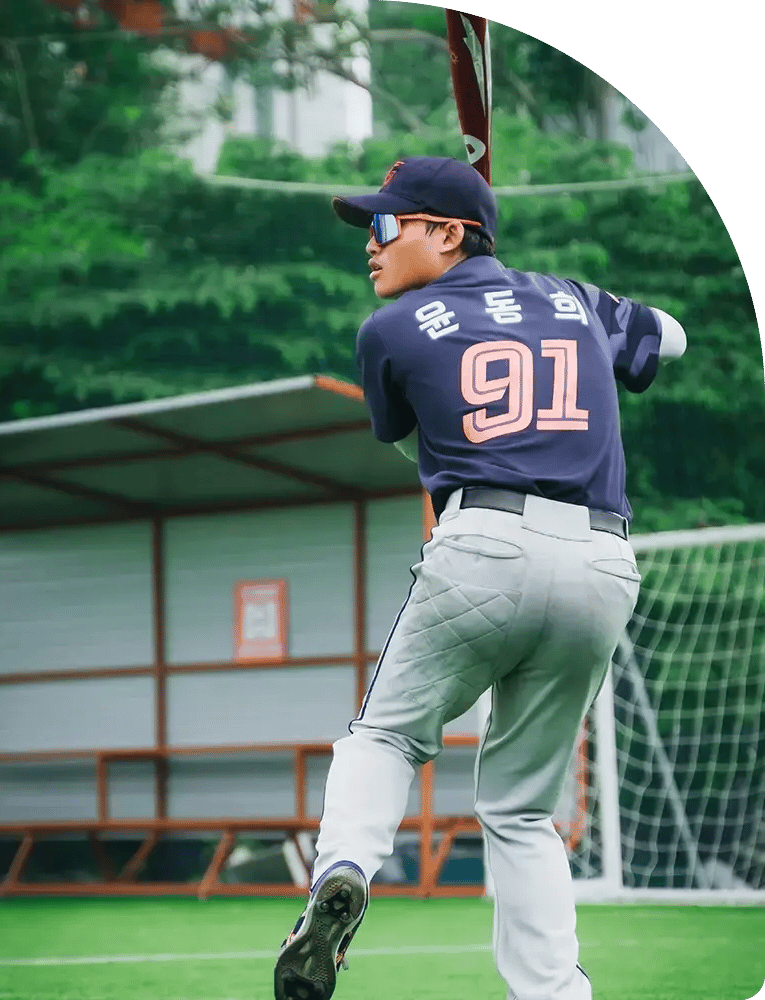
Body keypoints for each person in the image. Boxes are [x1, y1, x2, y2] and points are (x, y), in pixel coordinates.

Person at [272, 156, 687, 1000]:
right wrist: (573, 307)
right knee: (525, 811)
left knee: (383, 738)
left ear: (449, 232)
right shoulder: (574, 298)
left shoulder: (385, 332)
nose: (372, 244)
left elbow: (413, 447)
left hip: (485, 542)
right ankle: (557, 994)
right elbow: (670, 338)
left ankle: (342, 871)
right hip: (604, 563)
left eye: (388, 224)